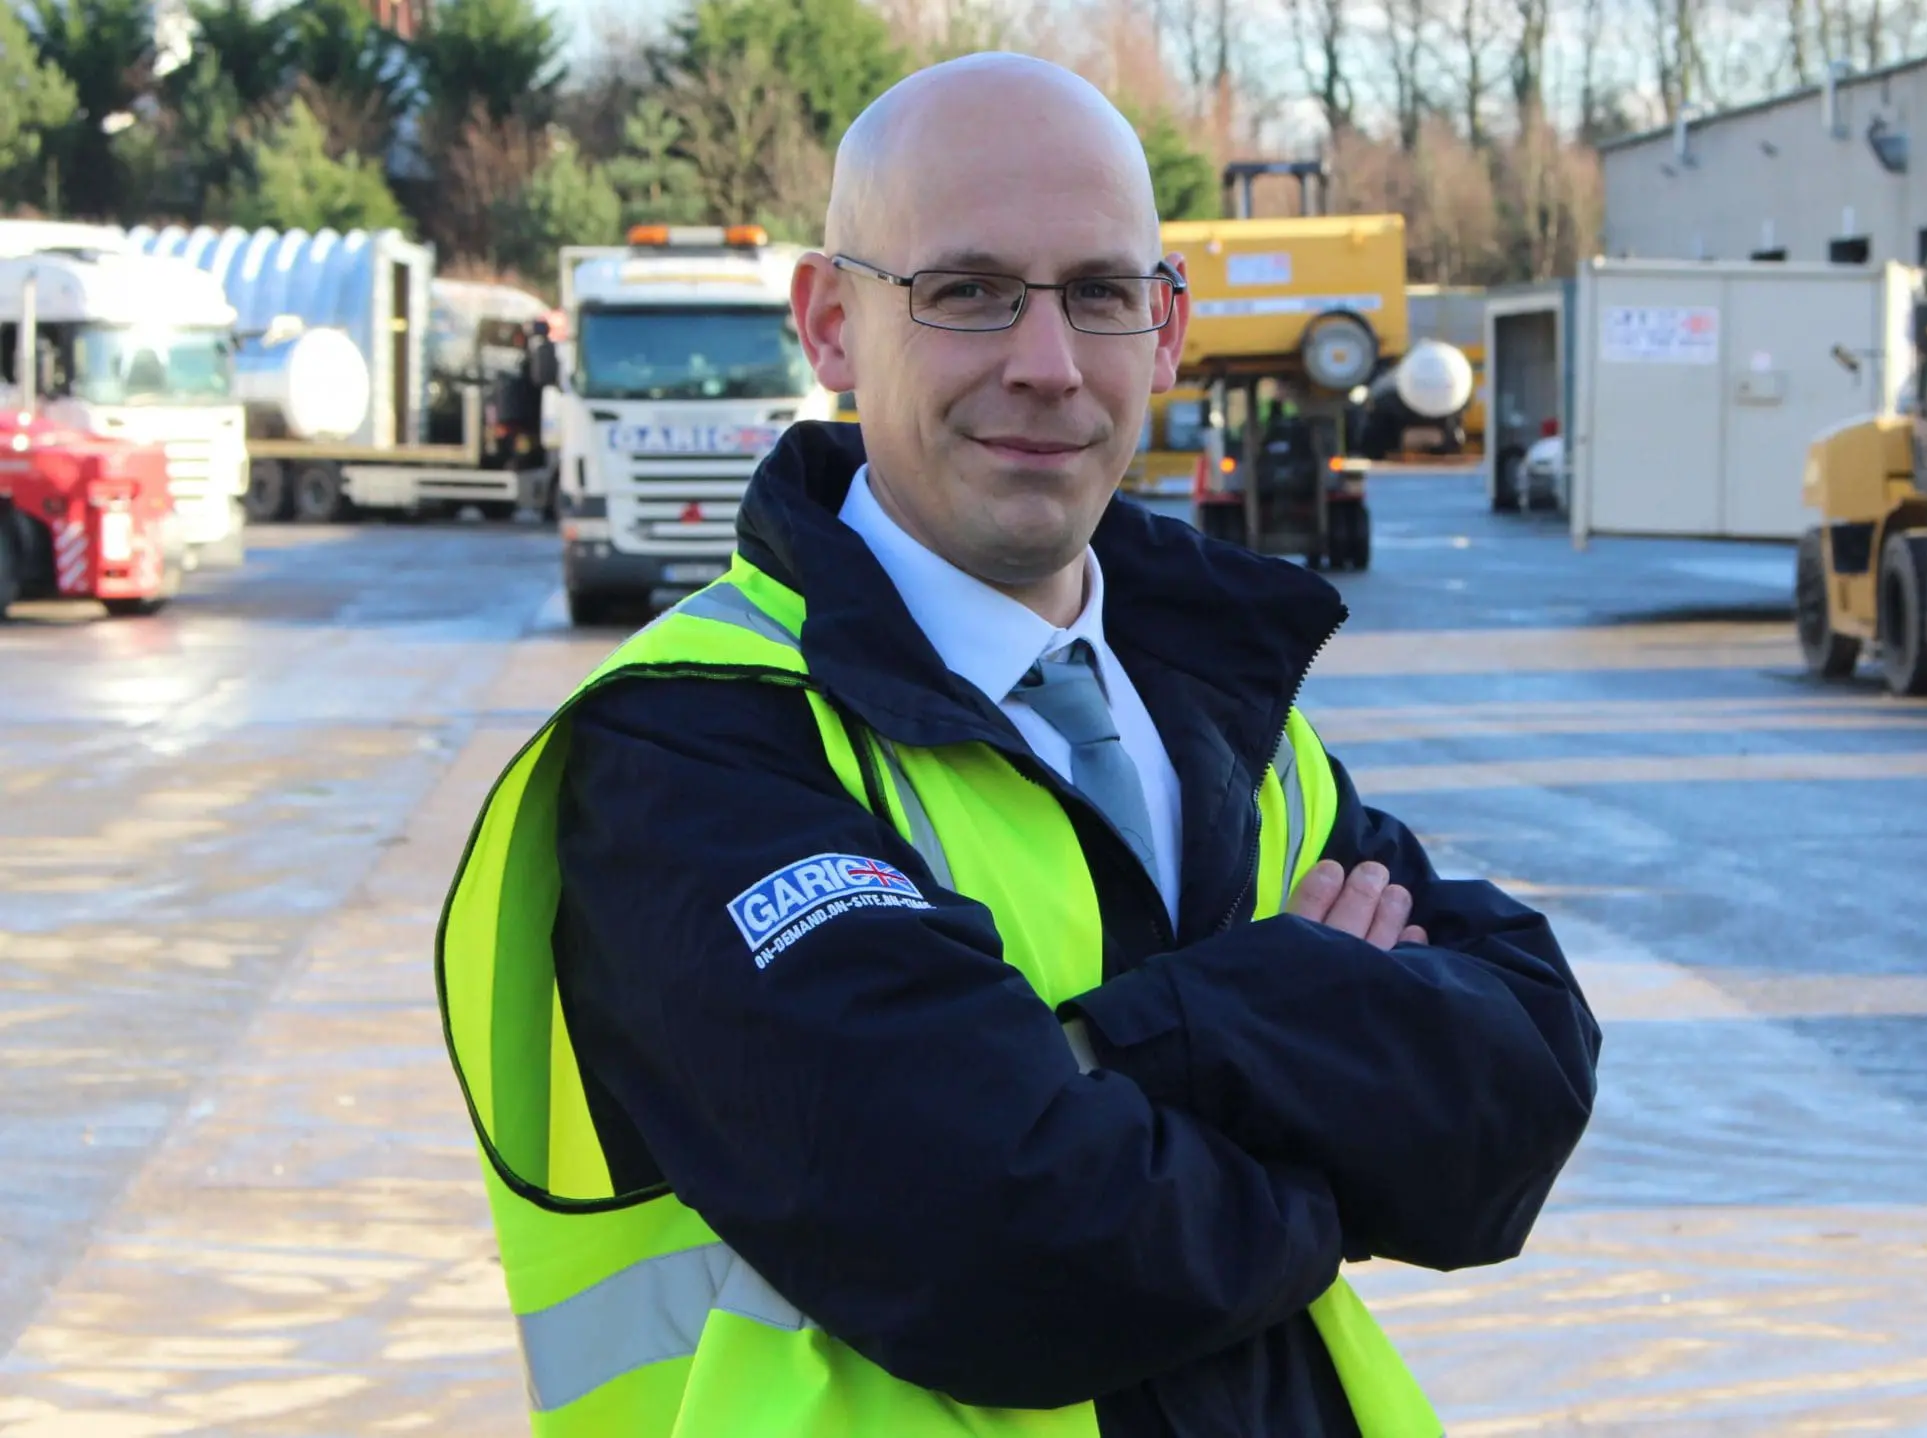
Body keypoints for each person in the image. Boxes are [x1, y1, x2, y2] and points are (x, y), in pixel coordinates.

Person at [436, 52, 1600, 1438]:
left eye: (1101, 295)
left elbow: (1523, 1085)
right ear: (828, 323)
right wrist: (1317, 1047)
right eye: (968, 291)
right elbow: (1005, 1239)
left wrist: (1103, 1065)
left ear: (1166, 329)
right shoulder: (695, 747)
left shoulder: (1229, 708)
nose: (1046, 366)